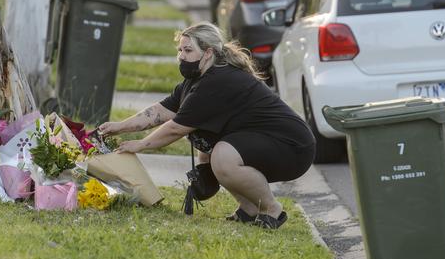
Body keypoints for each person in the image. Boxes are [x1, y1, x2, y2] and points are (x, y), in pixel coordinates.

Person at [98, 22, 316, 229]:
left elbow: (176, 128)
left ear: (208, 53)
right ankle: (249, 208)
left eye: (188, 50)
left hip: (292, 146)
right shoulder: (196, 80)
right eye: (180, 50)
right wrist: (119, 126)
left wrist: (141, 145)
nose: (181, 56)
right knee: (213, 151)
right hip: (270, 140)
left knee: (222, 155)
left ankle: (272, 209)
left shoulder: (217, 81)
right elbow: (160, 112)